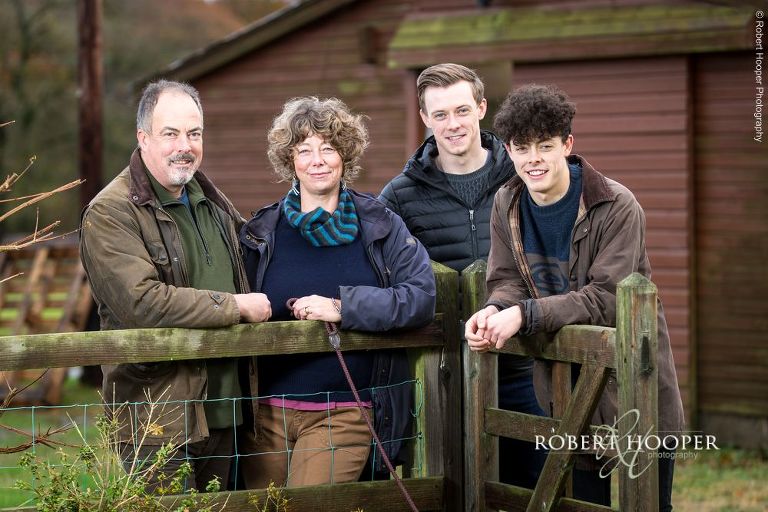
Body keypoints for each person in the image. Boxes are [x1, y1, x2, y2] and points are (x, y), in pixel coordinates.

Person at [465, 84, 684, 509]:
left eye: (545, 146)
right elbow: (506, 277)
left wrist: (523, 316)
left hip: (634, 375)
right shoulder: (506, 202)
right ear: (508, 150)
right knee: (581, 503)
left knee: (651, 504)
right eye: (522, 148)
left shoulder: (617, 205)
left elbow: (605, 298)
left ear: (567, 144)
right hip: (565, 386)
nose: (534, 160)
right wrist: (495, 310)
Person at [79, 80, 272, 492]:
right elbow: (141, 302)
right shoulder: (111, 212)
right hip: (157, 421)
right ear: (143, 137)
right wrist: (234, 306)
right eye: (170, 133)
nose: (184, 145)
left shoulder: (210, 200)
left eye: (194, 133)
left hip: (229, 412)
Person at [239, 96, 435, 489]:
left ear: (345, 154)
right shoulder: (262, 232)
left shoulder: (380, 225)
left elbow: (420, 297)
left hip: (345, 412)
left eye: (328, 148)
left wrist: (343, 307)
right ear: (289, 159)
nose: (317, 160)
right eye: (304, 150)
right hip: (265, 417)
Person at [379, 63, 545, 488]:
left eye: (461, 110)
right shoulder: (401, 194)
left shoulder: (522, 176)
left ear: (481, 108)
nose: (452, 125)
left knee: (536, 488)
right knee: (450, 487)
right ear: (424, 118)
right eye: (440, 115)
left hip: (523, 368)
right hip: (441, 372)